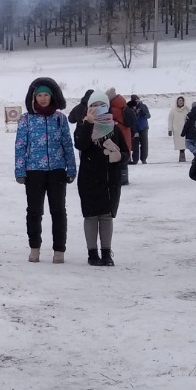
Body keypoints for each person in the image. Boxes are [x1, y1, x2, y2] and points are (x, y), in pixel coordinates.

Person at [14, 78, 76, 262]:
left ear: (52, 96)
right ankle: (35, 247)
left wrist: (71, 168)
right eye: (39, 95)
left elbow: (67, 143)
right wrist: (20, 170)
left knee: (58, 210)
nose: (42, 98)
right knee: (34, 211)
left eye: (46, 95)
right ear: (33, 98)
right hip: (34, 171)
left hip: (57, 170)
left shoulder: (60, 118)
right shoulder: (26, 119)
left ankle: (59, 250)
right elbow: (20, 145)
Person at [74, 91, 128, 265]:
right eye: (94, 105)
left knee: (106, 216)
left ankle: (106, 252)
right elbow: (81, 144)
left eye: (101, 105)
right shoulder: (83, 126)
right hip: (89, 178)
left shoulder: (115, 128)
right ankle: (92, 253)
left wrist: (119, 157)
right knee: (90, 216)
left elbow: (127, 152)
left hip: (109, 179)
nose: (97, 109)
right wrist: (88, 124)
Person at [125, 95, 150, 164]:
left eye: (137, 100)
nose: (136, 102)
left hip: (143, 127)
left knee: (144, 144)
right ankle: (135, 159)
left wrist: (142, 112)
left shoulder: (143, 106)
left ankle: (143, 159)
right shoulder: (130, 107)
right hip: (134, 128)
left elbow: (148, 116)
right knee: (135, 144)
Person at [167, 96, 188, 163]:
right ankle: (182, 156)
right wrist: (170, 129)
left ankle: (183, 156)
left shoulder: (187, 109)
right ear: (177, 102)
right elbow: (170, 120)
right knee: (179, 144)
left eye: (182, 101)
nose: (180, 102)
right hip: (177, 130)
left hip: (185, 129)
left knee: (185, 143)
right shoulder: (173, 110)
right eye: (179, 101)